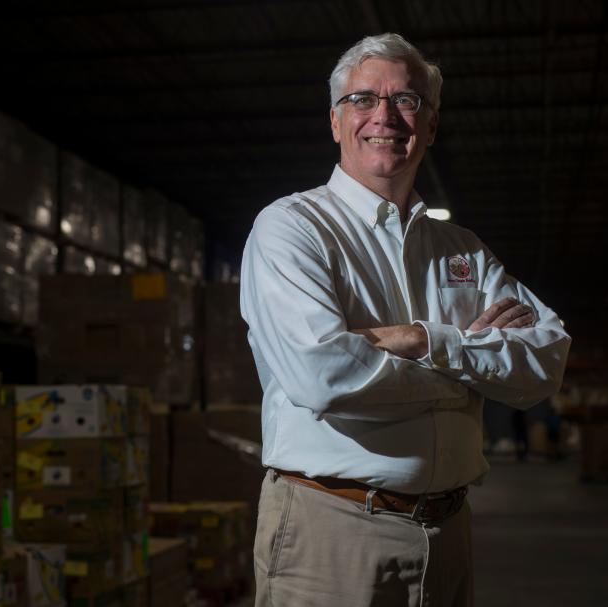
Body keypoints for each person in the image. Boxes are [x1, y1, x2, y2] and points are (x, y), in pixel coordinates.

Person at [240, 32, 571, 606]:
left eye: (408, 100)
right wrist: (470, 366)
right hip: (334, 528)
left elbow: (544, 363)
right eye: (363, 100)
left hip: (449, 530)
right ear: (336, 122)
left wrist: (418, 340)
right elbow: (323, 375)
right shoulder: (292, 229)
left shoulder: (460, 248)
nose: (385, 116)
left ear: (432, 126)